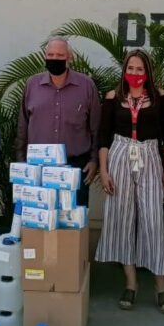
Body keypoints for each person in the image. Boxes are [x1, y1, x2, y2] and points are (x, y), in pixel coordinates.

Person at [95, 49, 164, 314]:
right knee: (122, 219)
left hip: (150, 156)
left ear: (148, 72)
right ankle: (131, 283)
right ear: (124, 70)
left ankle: (160, 286)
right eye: (131, 68)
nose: (135, 73)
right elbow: (103, 138)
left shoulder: (160, 97)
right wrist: (104, 171)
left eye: (140, 69)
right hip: (119, 156)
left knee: (153, 220)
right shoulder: (112, 97)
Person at [15, 36, 101, 206]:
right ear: (45, 56)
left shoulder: (86, 86)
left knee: (73, 224)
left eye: (60, 55)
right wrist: (20, 159)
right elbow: (22, 124)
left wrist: (94, 160)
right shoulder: (32, 85)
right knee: (39, 221)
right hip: (37, 167)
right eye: (51, 54)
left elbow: (96, 127)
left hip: (75, 166)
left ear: (70, 58)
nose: (54, 59)